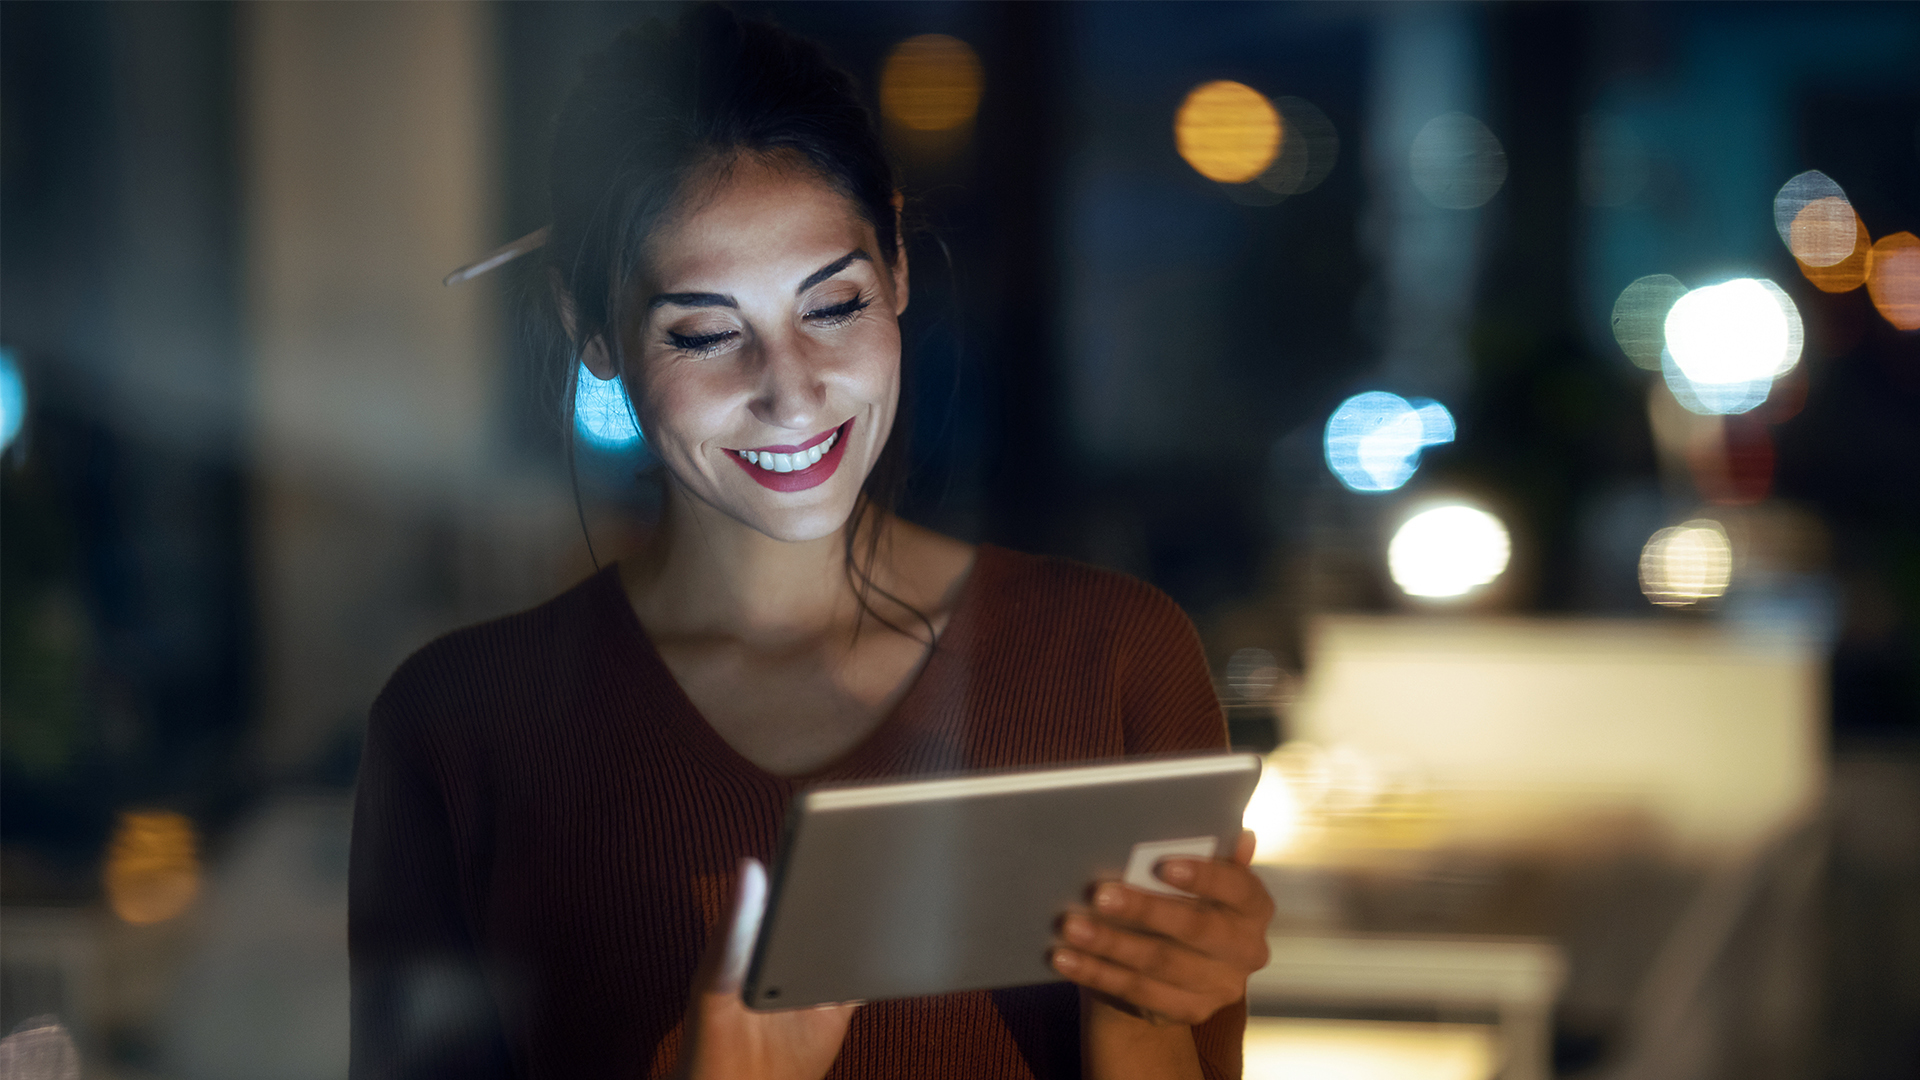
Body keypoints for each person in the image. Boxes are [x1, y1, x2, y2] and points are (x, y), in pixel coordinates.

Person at [349, 8, 1273, 1079]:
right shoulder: (457, 726)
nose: (791, 394)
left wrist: (1148, 1014)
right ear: (590, 328)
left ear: (896, 264)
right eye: (703, 333)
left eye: (833, 307)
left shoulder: (1114, 656)